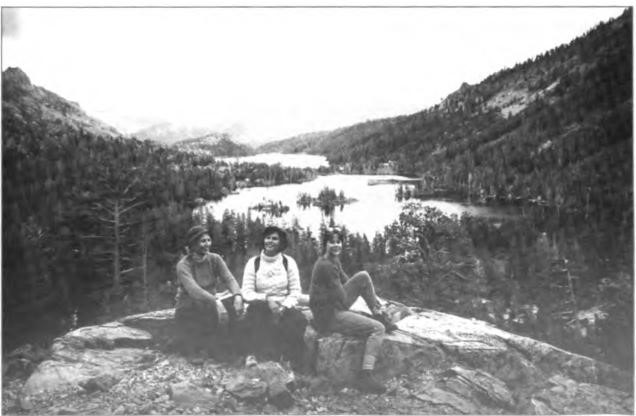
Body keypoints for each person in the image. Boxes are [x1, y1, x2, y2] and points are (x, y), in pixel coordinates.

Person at [309, 227, 396, 394]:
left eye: (338, 241)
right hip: (329, 316)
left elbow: (348, 283)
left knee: (363, 276)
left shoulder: (333, 260)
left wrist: (360, 292)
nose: (335, 245)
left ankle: (378, 313)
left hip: (332, 306)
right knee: (378, 328)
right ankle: (365, 376)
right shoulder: (326, 265)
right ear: (325, 243)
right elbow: (342, 296)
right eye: (331, 241)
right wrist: (358, 306)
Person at [174, 225, 244, 358]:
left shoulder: (215, 258)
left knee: (233, 309)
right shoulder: (183, 265)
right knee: (190, 320)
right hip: (190, 303)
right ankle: (193, 350)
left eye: (208, 240)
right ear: (193, 244)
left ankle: (233, 348)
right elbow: (194, 290)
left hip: (210, 301)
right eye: (202, 241)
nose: (207, 244)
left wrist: (238, 295)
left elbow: (229, 279)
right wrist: (215, 300)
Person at [241, 225, 306, 365]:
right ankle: (252, 355)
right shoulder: (254, 263)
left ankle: (288, 359)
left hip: (283, 304)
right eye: (268, 238)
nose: (270, 241)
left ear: (281, 242)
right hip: (260, 304)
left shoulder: (288, 262)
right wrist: (266, 299)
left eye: (275, 239)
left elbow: (295, 291)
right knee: (256, 316)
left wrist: (283, 306)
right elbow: (246, 292)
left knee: (298, 320)